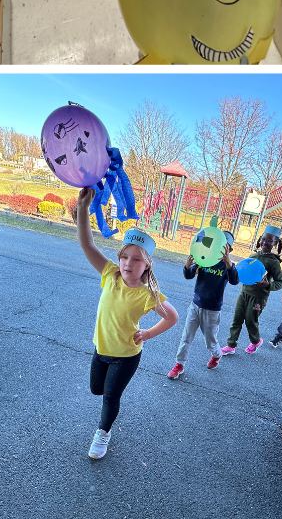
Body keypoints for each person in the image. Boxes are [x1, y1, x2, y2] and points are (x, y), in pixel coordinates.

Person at [74, 193, 177, 459]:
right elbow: (87, 244)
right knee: (96, 389)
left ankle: (103, 433)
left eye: (136, 260)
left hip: (126, 356)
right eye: (124, 257)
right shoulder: (109, 274)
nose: (128, 263)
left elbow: (172, 316)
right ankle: (105, 420)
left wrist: (148, 333)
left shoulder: (147, 294)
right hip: (101, 349)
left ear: (147, 266)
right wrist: (84, 208)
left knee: (110, 396)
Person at [170, 230, 238, 378]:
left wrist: (228, 263)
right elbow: (189, 275)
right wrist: (187, 266)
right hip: (195, 305)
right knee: (186, 337)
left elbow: (234, 280)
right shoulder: (204, 258)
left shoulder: (227, 266)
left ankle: (216, 354)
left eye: (224, 246)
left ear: (229, 249)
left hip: (212, 310)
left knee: (210, 340)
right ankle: (179, 365)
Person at [221, 227, 282, 354]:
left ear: (275, 243)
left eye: (270, 241)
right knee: (237, 319)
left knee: (250, 321)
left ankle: (256, 341)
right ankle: (231, 345)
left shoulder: (274, 262)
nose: (266, 242)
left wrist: (268, 285)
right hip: (244, 293)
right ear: (260, 239)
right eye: (264, 239)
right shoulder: (253, 256)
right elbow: (244, 272)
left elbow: (281, 283)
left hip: (258, 298)